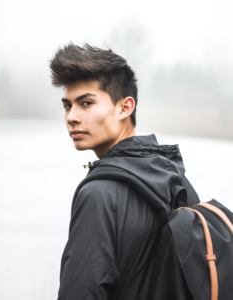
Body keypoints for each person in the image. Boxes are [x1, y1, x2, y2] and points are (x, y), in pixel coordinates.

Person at [49, 43, 200, 300]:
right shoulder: (172, 175)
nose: (72, 117)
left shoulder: (98, 194)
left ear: (125, 108)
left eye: (86, 103)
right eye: (67, 105)